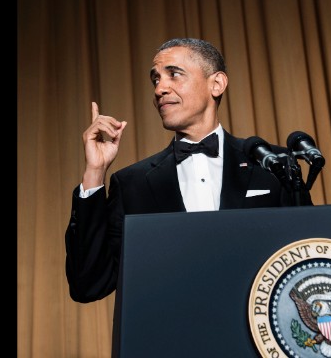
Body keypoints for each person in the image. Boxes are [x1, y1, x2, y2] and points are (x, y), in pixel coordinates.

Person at [65, 37, 311, 304]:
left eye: (174, 74)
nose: (160, 89)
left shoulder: (273, 164)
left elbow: (308, 260)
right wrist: (94, 172)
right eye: (156, 79)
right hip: (172, 340)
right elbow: (88, 285)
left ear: (216, 84)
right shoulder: (131, 184)